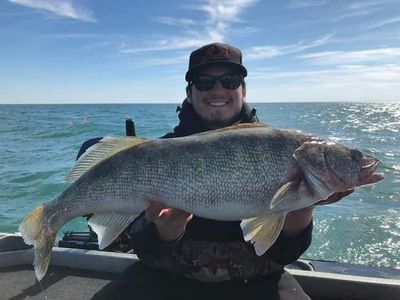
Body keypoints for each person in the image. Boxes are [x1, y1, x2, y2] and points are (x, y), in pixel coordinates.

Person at [91, 43, 353, 300]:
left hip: (259, 282)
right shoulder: (158, 153)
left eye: (230, 81)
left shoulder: (281, 149)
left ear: (244, 89)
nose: (218, 90)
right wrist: (162, 233)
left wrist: (301, 208)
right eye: (205, 82)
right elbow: (143, 248)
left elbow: (283, 254)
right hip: (164, 277)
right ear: (189, 92)